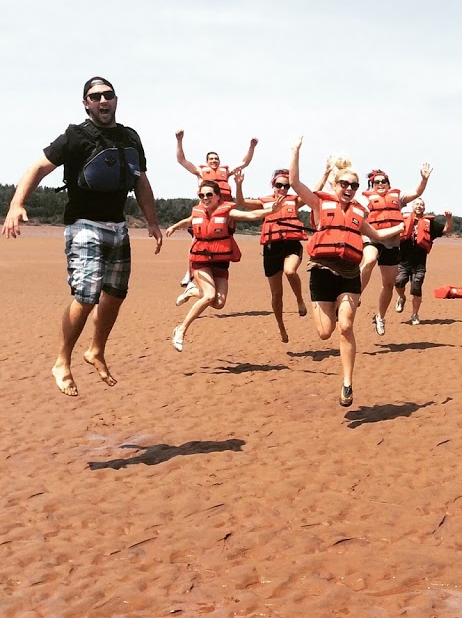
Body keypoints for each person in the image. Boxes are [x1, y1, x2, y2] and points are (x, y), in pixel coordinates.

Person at [2, 76, 162, 396]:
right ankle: (62, 361)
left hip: (118, 228)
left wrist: (152, 221)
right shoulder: (76, 136)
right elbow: (38, 167)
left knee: (115, 294)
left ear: (116, 100)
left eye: (108, 95)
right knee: (87, 293)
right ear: (86, 103)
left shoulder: (130, 138)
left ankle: (96, 350)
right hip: (84, 225)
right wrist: (17, 204)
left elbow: (140, 182)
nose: (103, 100)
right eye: (95, 96)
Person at [288, 137, 403, 407]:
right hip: (322, 271)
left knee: (346, 326)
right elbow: (294, 182)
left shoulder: (359, 214)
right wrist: (295, 151)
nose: (350, 188)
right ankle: (317, 307)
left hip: (350, 273)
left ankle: (347, 383)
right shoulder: (320, 203)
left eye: (354, 185)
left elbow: (375, 234)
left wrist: (400, 228)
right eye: (345, 184)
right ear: (335, 185)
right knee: (325, 333)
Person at [166, 179, 282, 352]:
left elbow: (250, 215)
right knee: (209, 295)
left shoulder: (227, 212)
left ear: (218, 196)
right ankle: (181, 330)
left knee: (219, 303)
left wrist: (270, 210)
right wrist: (174, 226)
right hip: (200, 261)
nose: (205, 198)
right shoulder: (198, 212)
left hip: (220, 262)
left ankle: (192, 291)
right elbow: (189, 221)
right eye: (201, 195)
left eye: (209, 195)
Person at [173, 131, 258, 289]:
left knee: (224, 239)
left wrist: (251, 147)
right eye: (211, 159)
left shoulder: (226, 172)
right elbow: (181, 160)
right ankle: (189, 272)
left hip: (222, 215)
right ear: (206, 162)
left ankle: (215, 270)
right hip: (204, 214)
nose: (214, 161)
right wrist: (179, 140)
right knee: (196, 241)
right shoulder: (200, 172)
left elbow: (244, 162)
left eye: (216, 159)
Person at [234, 168, 310, 343]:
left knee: (290, 271)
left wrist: (326, 173)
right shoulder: (264, 202)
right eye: (279, 185)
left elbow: (311, 194)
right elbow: (240, 202)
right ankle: (281, 327)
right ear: (273, 185)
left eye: (287, 186)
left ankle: (299, 300)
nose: (283, 189)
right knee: (277, 294)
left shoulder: (295, 201)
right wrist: (238, 185)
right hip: (271, 248)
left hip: (291, 244)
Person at [359, 164, 432, 336]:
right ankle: (357, 293)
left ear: (388, 183)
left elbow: (416, 193)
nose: (381, 184)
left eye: (384, 181)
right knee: (369, 260)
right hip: (373, 237)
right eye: (377, 182)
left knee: (389, 284)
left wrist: (424, 179)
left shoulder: (397, 198)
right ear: (372, 185)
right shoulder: (365, 200)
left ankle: (380, 317)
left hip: (391, 242)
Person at [393, 199, 453, 324]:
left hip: (419, 264)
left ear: (424, 208)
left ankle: (414, 315)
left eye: (422, 205)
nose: (419, 206)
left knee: (416, 288)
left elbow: (447, 230)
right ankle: (402, 297)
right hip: (403, 261)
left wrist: (449, 218)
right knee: (398, 282)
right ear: (412, 206)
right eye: (417, 204)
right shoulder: (403, 220)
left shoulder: (430, 224)